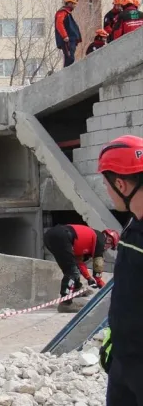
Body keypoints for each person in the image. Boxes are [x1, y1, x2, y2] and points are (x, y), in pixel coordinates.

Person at [96, 135, 143, 404]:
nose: (107, 191)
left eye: (107, 185)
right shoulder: (133, 226)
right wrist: (116, 340)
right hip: (124, 361)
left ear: (121, 184)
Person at [43, 224, 119, 313]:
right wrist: (99, 282)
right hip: (62, 236)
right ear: (109, 239)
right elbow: (98, 262)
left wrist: (89, 278)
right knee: (71, 271)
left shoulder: (87, 241)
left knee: (70, 267)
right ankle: (65, 304)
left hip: (51, 236)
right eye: (110, 246)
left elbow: (79, 263)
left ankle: (76, 288)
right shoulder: (101, 239)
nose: (107, 248)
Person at [55, 0, 82, 68]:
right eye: (73, 4)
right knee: (70, 58)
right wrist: (65, 36)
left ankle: (66, 75)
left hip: (70, 40)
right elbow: (59, 24)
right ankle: (65, 76)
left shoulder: (67, 13)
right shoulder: (62, 12)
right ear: (69, 3)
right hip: (67, 40)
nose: (75, 6)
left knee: (69, 59)